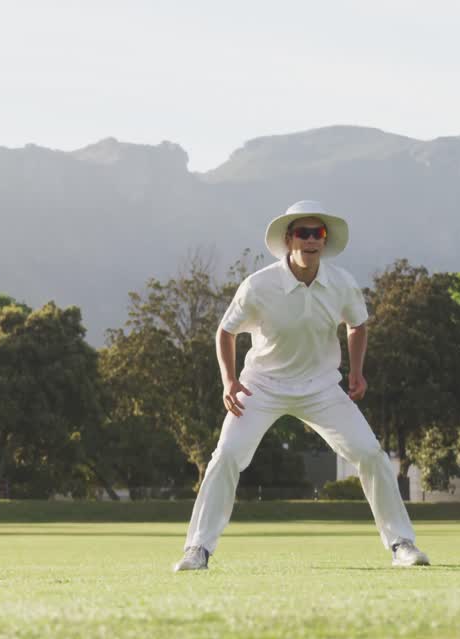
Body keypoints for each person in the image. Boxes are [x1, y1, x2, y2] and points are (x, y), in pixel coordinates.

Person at [174, 200, 430, 571]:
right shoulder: (258, 286)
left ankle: (401, 543)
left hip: (322, 387)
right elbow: (225, 331)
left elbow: (357, 324)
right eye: (303, 233)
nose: (311, 240)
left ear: (324, 241)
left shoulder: (341, 283)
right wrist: (228, 381)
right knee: (226, 454)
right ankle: (197, 549)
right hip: (262, 386)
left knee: (371, 453)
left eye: (318, 233)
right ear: (288, 240)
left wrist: (357, 372)